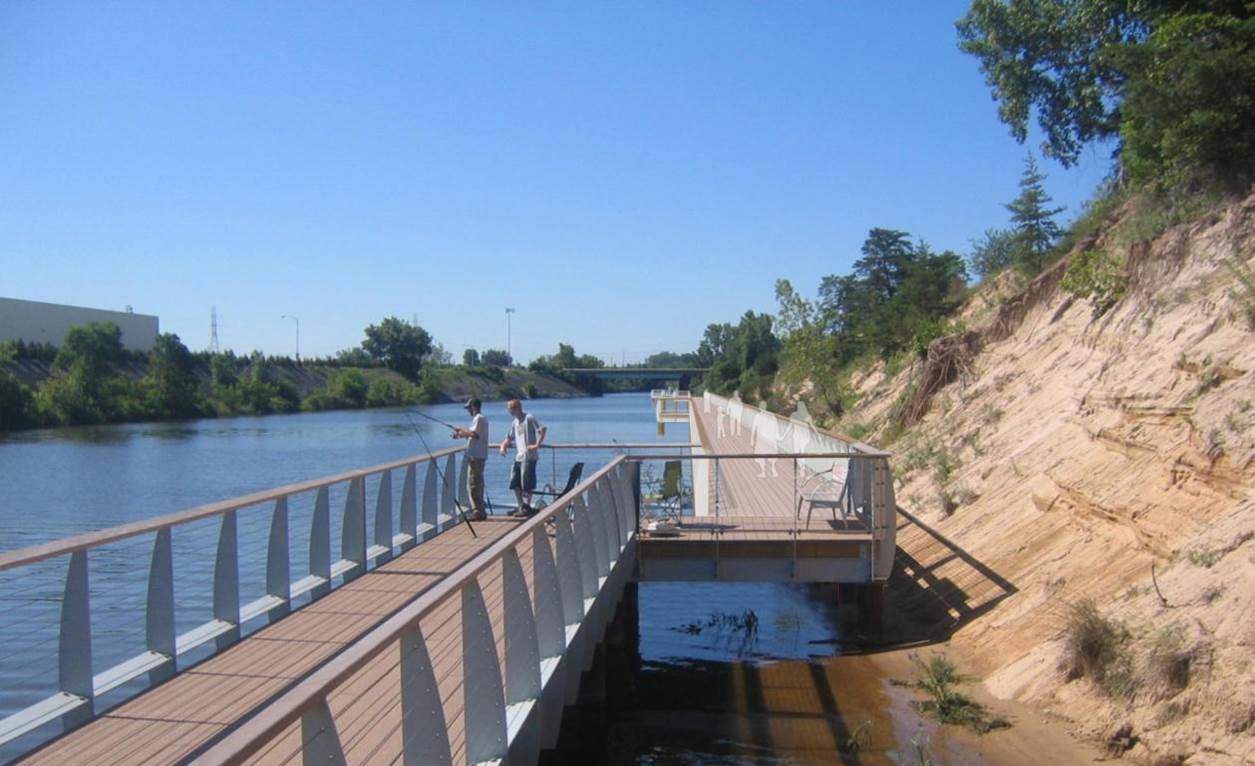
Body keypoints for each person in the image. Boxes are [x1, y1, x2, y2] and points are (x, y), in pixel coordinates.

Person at [499, 399, 546, 516]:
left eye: (510, 408)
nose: (508, 411)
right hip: (518, 456)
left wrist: (536, 445)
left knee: (527, 483)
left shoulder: (529, 418)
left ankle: (526, 506)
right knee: (515, 482)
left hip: (529, 456)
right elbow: (509, 438)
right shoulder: (515, 422)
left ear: (517, 408)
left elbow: (542, 429)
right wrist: (503, 446)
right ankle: (520, 506)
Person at [451, 398, 489, 521]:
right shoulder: (479, 419)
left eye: (468, 408)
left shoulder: (479, 418)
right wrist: (460, 435)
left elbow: (474, 434)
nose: (468, 410)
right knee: (476, 484)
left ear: (474, 406)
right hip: (477, 456)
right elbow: (473, 436)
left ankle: (478, 512)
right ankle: (479, 511)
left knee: (474, 485)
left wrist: (461, 430)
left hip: (476, 457)